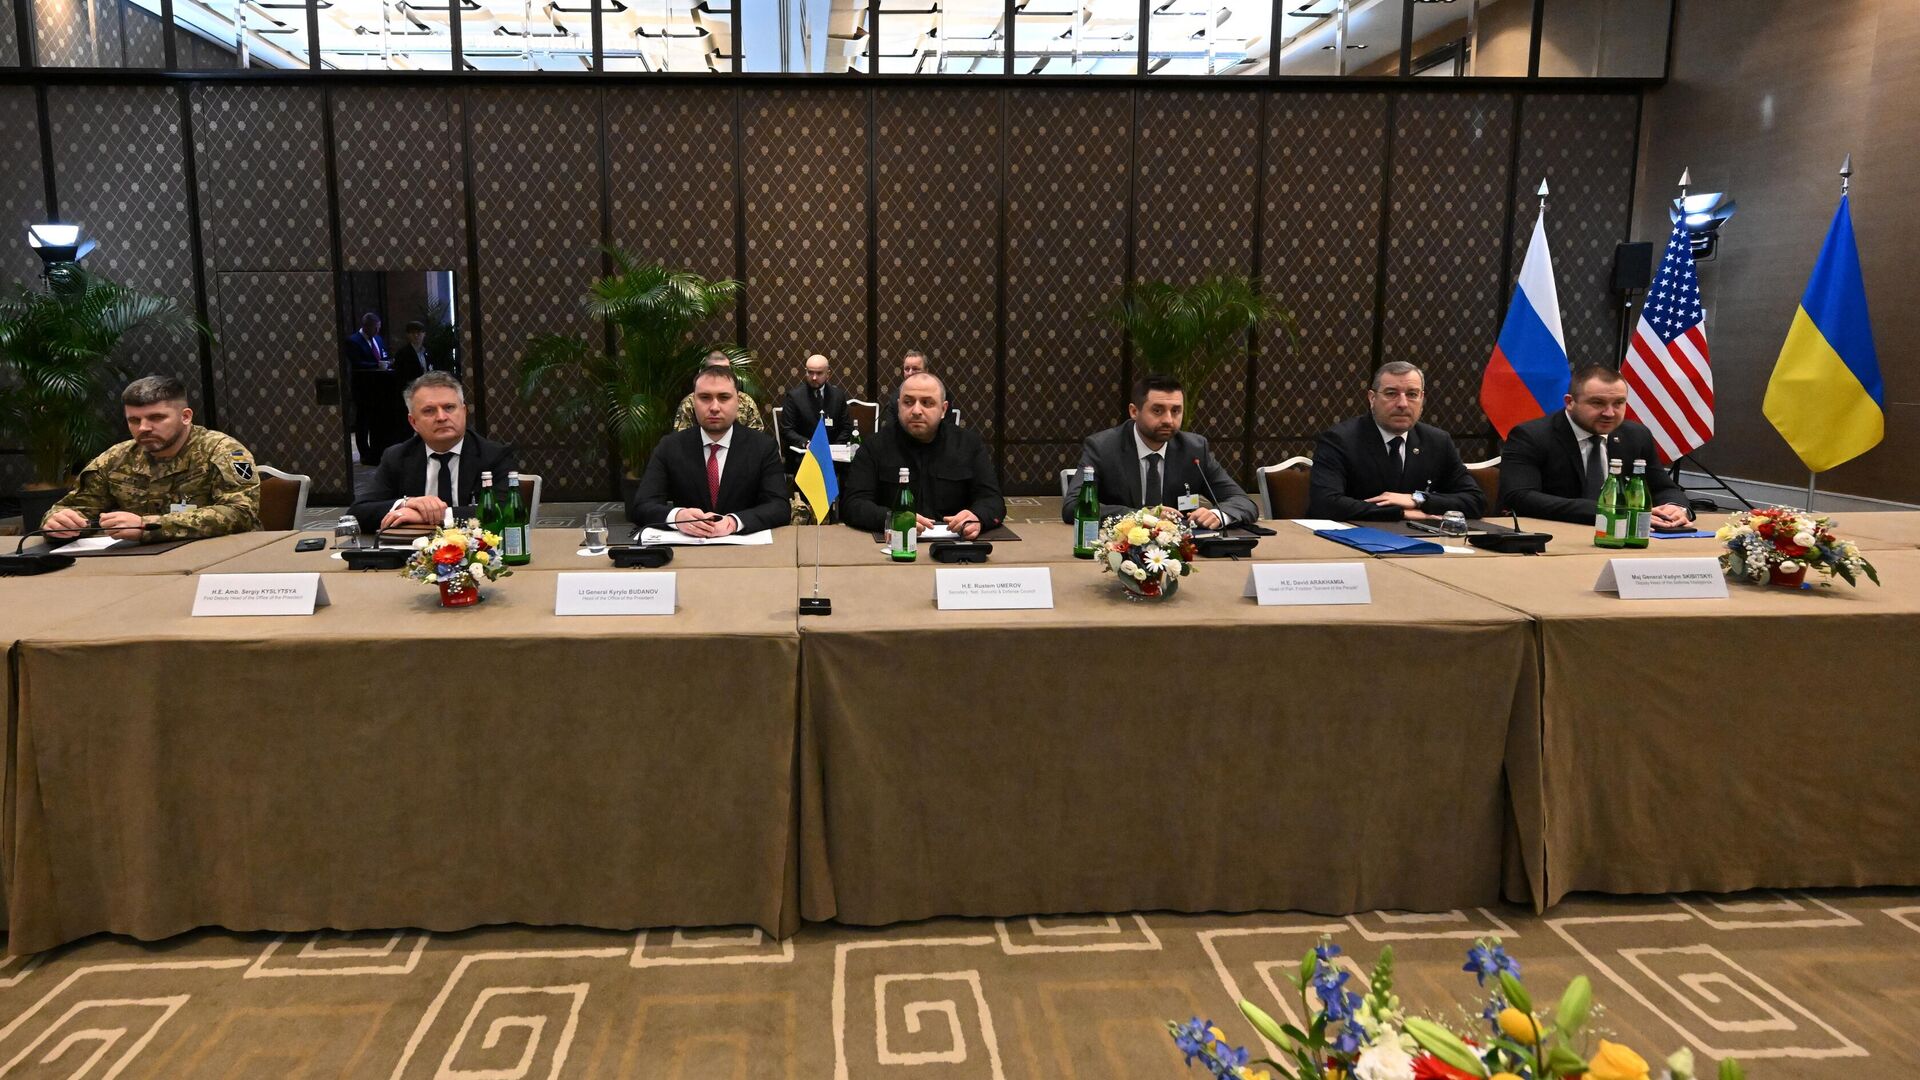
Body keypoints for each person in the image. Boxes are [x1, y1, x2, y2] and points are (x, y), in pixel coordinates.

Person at [42, 374, 260, 541]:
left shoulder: (223, 451)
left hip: (219, 555)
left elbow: (240, 513)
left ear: (185, 416)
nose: (143, 428)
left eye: (156, 418)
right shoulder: (115, 459)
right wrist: (57, 521)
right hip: (139, 561)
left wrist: (149, 526)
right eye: (134, 420)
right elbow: (77, 508)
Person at [1499, 363, 1690, 526]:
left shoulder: (1636, 435)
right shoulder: (1531, 436)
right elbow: (1520, 496)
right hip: (1556, 532)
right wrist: (1610, 512)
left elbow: (1663, 488)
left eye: (1618, 403)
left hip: (1621, 536)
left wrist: (1675, 507)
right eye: (1598, 403)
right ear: (1569, 402)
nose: (1609, 413)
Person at [1063, 373, 1256, 528]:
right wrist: (1144, 515)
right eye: (1157, 410)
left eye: (1176, 411)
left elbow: (1242, 501)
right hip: (1118, 548)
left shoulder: (1194, 449)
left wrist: (1218, 515)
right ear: (1134, 411)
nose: (1168, 420)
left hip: (1181, 552)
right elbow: (1073, 506)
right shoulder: (1103, 447)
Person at [1307, 361, 1486, 521]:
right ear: (1372, 398)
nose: (1403, 404)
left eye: (1412, 394)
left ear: (1422, 399)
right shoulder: (1340, 440)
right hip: (1354, 537)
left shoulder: (1437, 441)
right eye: (1391, 393)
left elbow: (1475, 501)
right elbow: (1325, 504)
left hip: (1422, 539)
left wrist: (1417, 499)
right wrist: (1400, 513)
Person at [629, 365, 789, 535]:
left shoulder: (763, 447)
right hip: (687, 545)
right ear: (693, 401)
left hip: (744, 545)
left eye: (724, 397)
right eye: (705, 397)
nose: (714, 407)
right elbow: (641, 506)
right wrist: (677, 517)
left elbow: (779, 507)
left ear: (738, 401)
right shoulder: (670, 446)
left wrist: (734, 522)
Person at [349, 371, 516, 533]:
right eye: (429, 410)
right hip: (412, 550)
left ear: (464, 412)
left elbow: (504, 511)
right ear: (413, 422)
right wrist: (406, 504)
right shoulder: (397, 457)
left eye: (449, 407)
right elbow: (357, 513)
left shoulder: (495, 455)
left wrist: (430, 516)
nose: (441, 417)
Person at [843, 372, 1004, 539]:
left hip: (956, 544)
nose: (916, 410)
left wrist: (978, 517)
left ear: (943, 409)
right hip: (895, 543)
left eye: (927, 403)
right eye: (908, 402)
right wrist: (892, 518)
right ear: (898, 406)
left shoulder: (968, 445)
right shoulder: (874, 446)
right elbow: (853, 504)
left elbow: (993, 500)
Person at [779, 353, 852, 466]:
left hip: (833, 457)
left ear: (828, 374)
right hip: (804, 456)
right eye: (810, 372)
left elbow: (846, 427)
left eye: (819, 373)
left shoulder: (838, 396)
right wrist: (806, 443)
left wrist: (835, 448)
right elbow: (786, 430)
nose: (814, 377)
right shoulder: (794, 397)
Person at [673, 350, 768, 433]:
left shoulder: (745, 401)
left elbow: (756, 436)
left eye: (725, 369)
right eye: (715, 369)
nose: (720, 373)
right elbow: (682, 439)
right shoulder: (690, 402)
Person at [345, 311, 392, 461]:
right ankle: (364, 453)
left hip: (379, 388)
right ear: (365, 326)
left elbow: (383, 355)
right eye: (375, 328)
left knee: (377, 421)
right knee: (363, 422)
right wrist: (377, 365)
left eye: (379, 327)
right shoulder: (353, 341)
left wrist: (387, 362)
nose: (377, 331)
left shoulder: (378, 339)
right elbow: (357, 363)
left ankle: (377, 450)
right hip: (363, 388)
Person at [391, 320, 430, 385]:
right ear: (408, 335)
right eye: (412, 333)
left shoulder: (429, 351)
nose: (416, 335)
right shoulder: (402, 353)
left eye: (418, 332)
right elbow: (400, 377)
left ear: (424, 334)